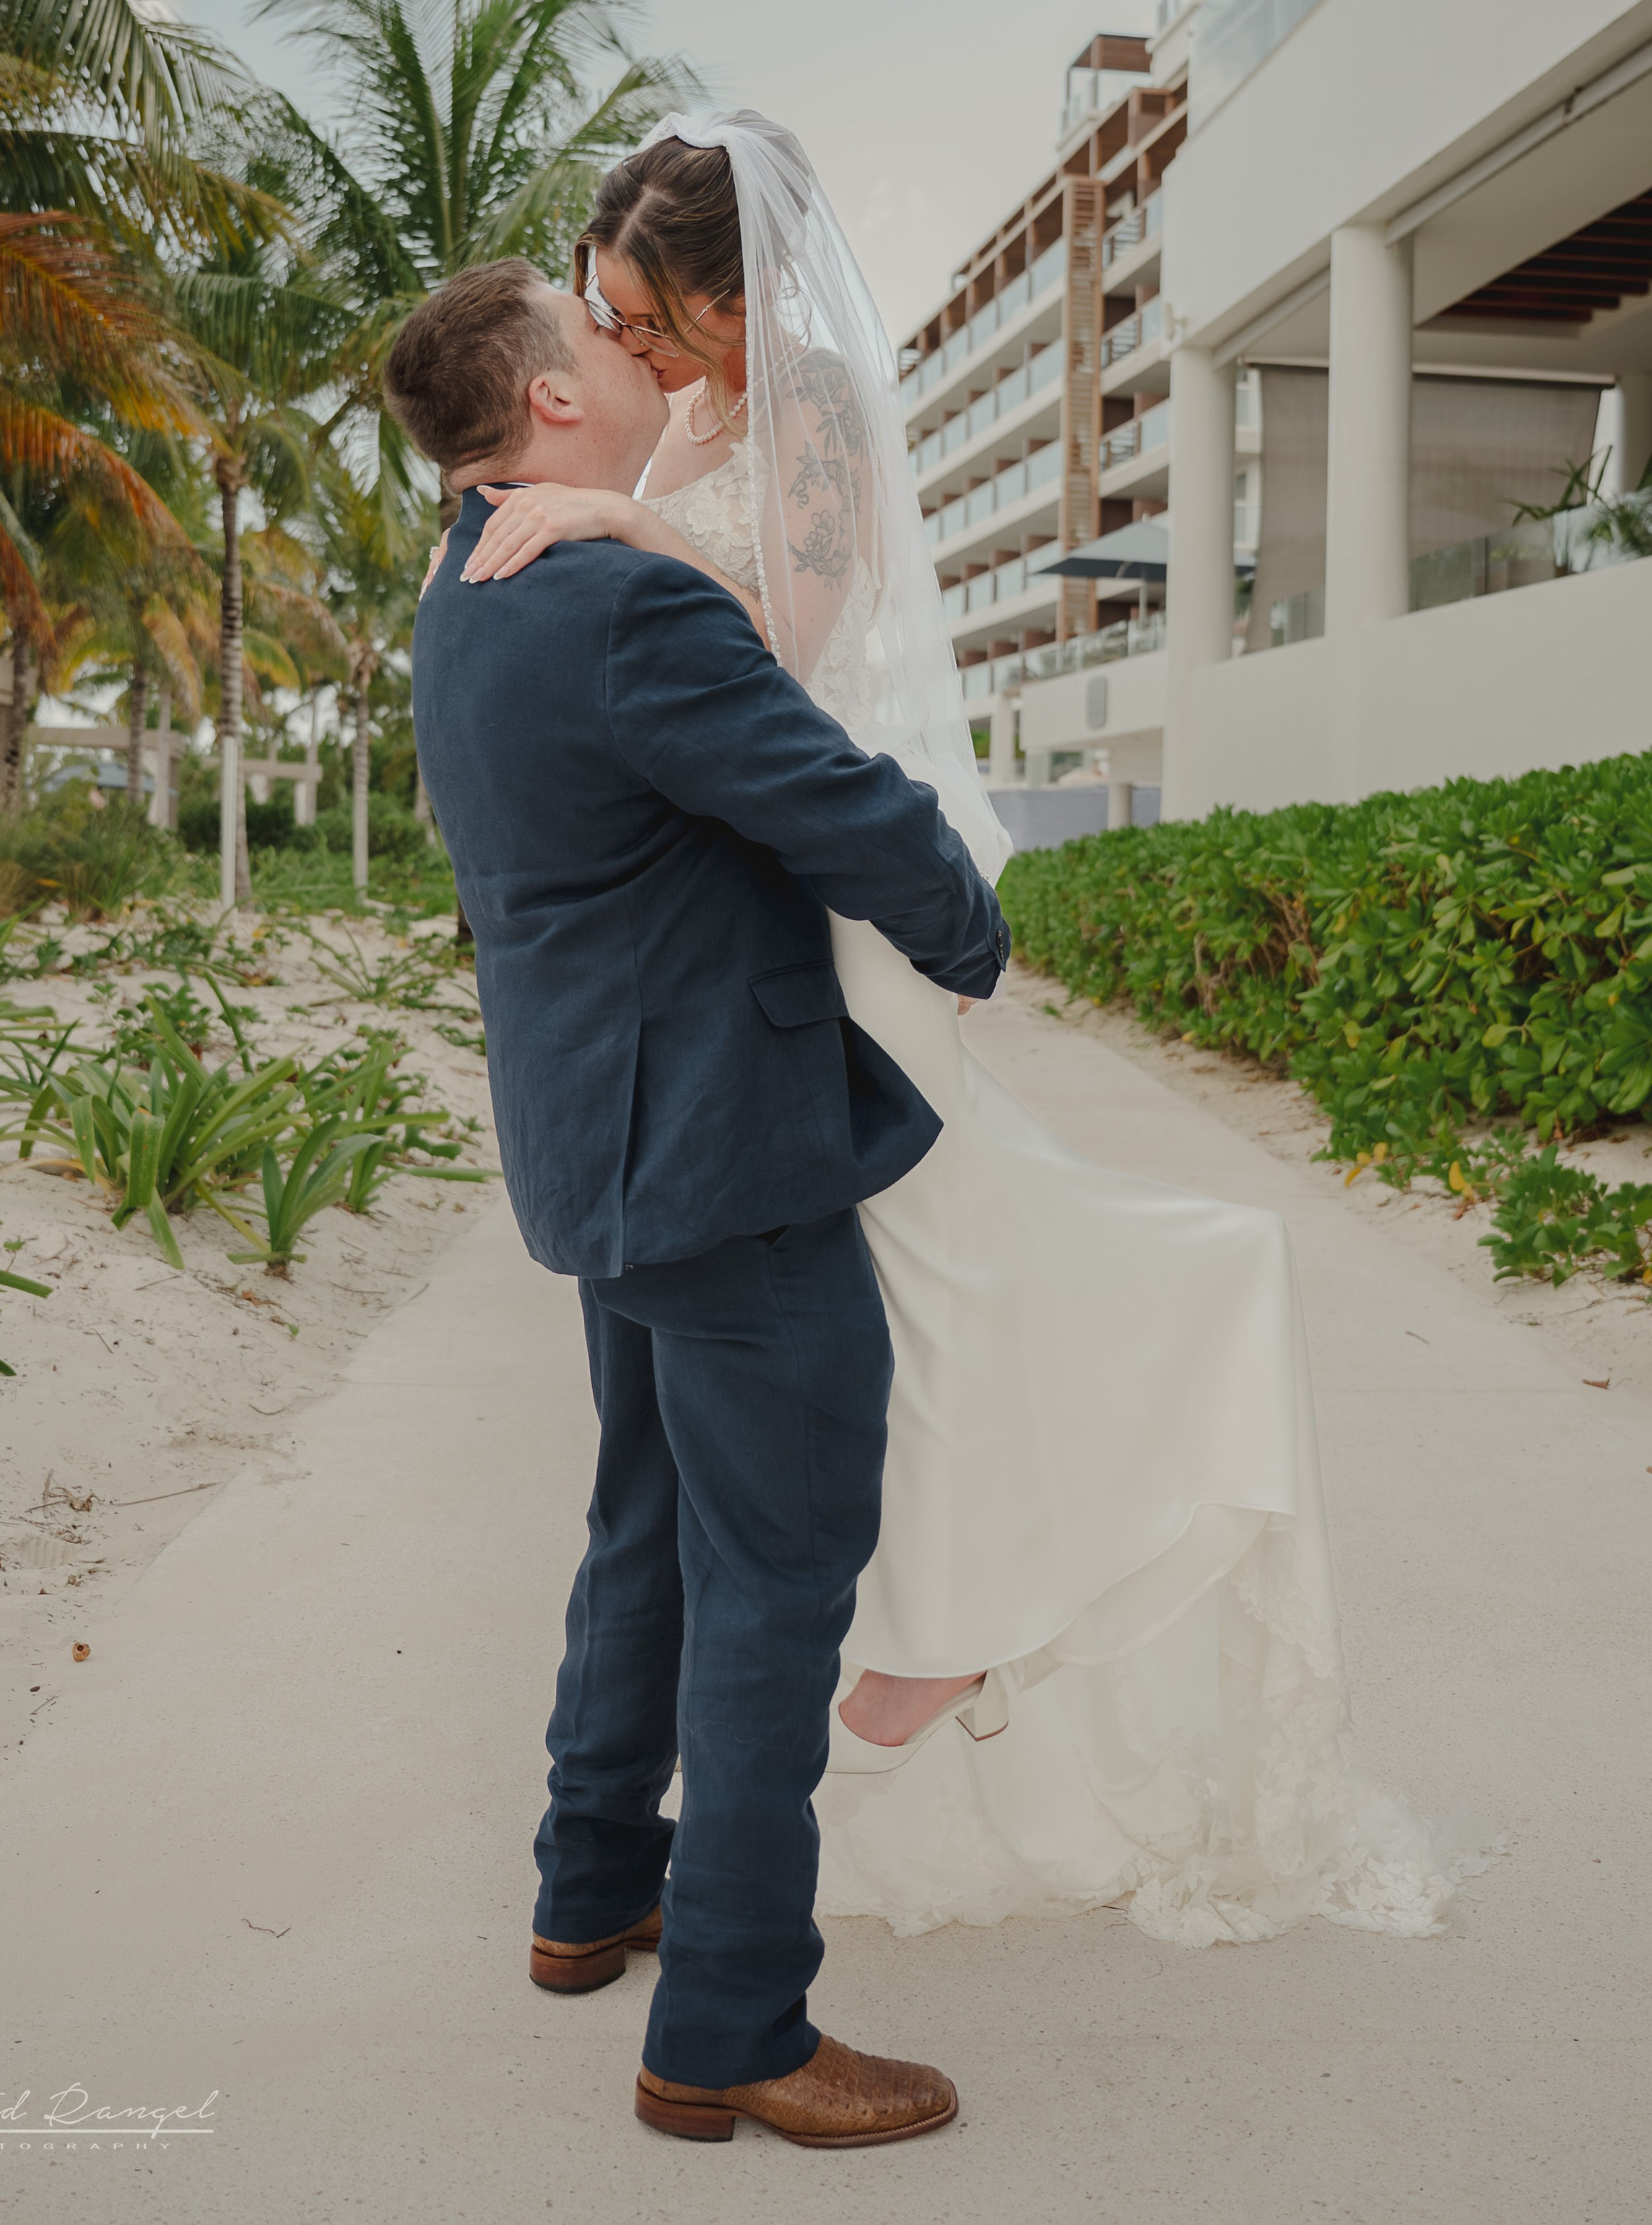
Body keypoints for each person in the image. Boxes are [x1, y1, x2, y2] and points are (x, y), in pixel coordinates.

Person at [453, 109, 1471, 1948]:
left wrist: (621, 517)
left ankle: (921, 1643)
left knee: (943, 1280)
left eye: (647, 311)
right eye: (604, 314)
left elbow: (789, 662)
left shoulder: (810, 412)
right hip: (731, 976)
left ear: (725, 291)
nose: (630, 347)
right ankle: (940, 1630)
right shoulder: (683, 425)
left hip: (800, 934)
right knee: (886, 1315)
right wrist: (635, 497)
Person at [386, 256, 1011, 2149]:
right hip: (724, 1154)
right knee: (778, 1576)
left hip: (603, 1146)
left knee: (646, 1524)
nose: (636, 351)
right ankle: (733, 2023)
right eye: (602, 337)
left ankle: (593, 1891)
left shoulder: (471, 580)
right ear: (551, 399)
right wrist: (970, 929)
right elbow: (830, 798)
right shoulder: (603, 600)